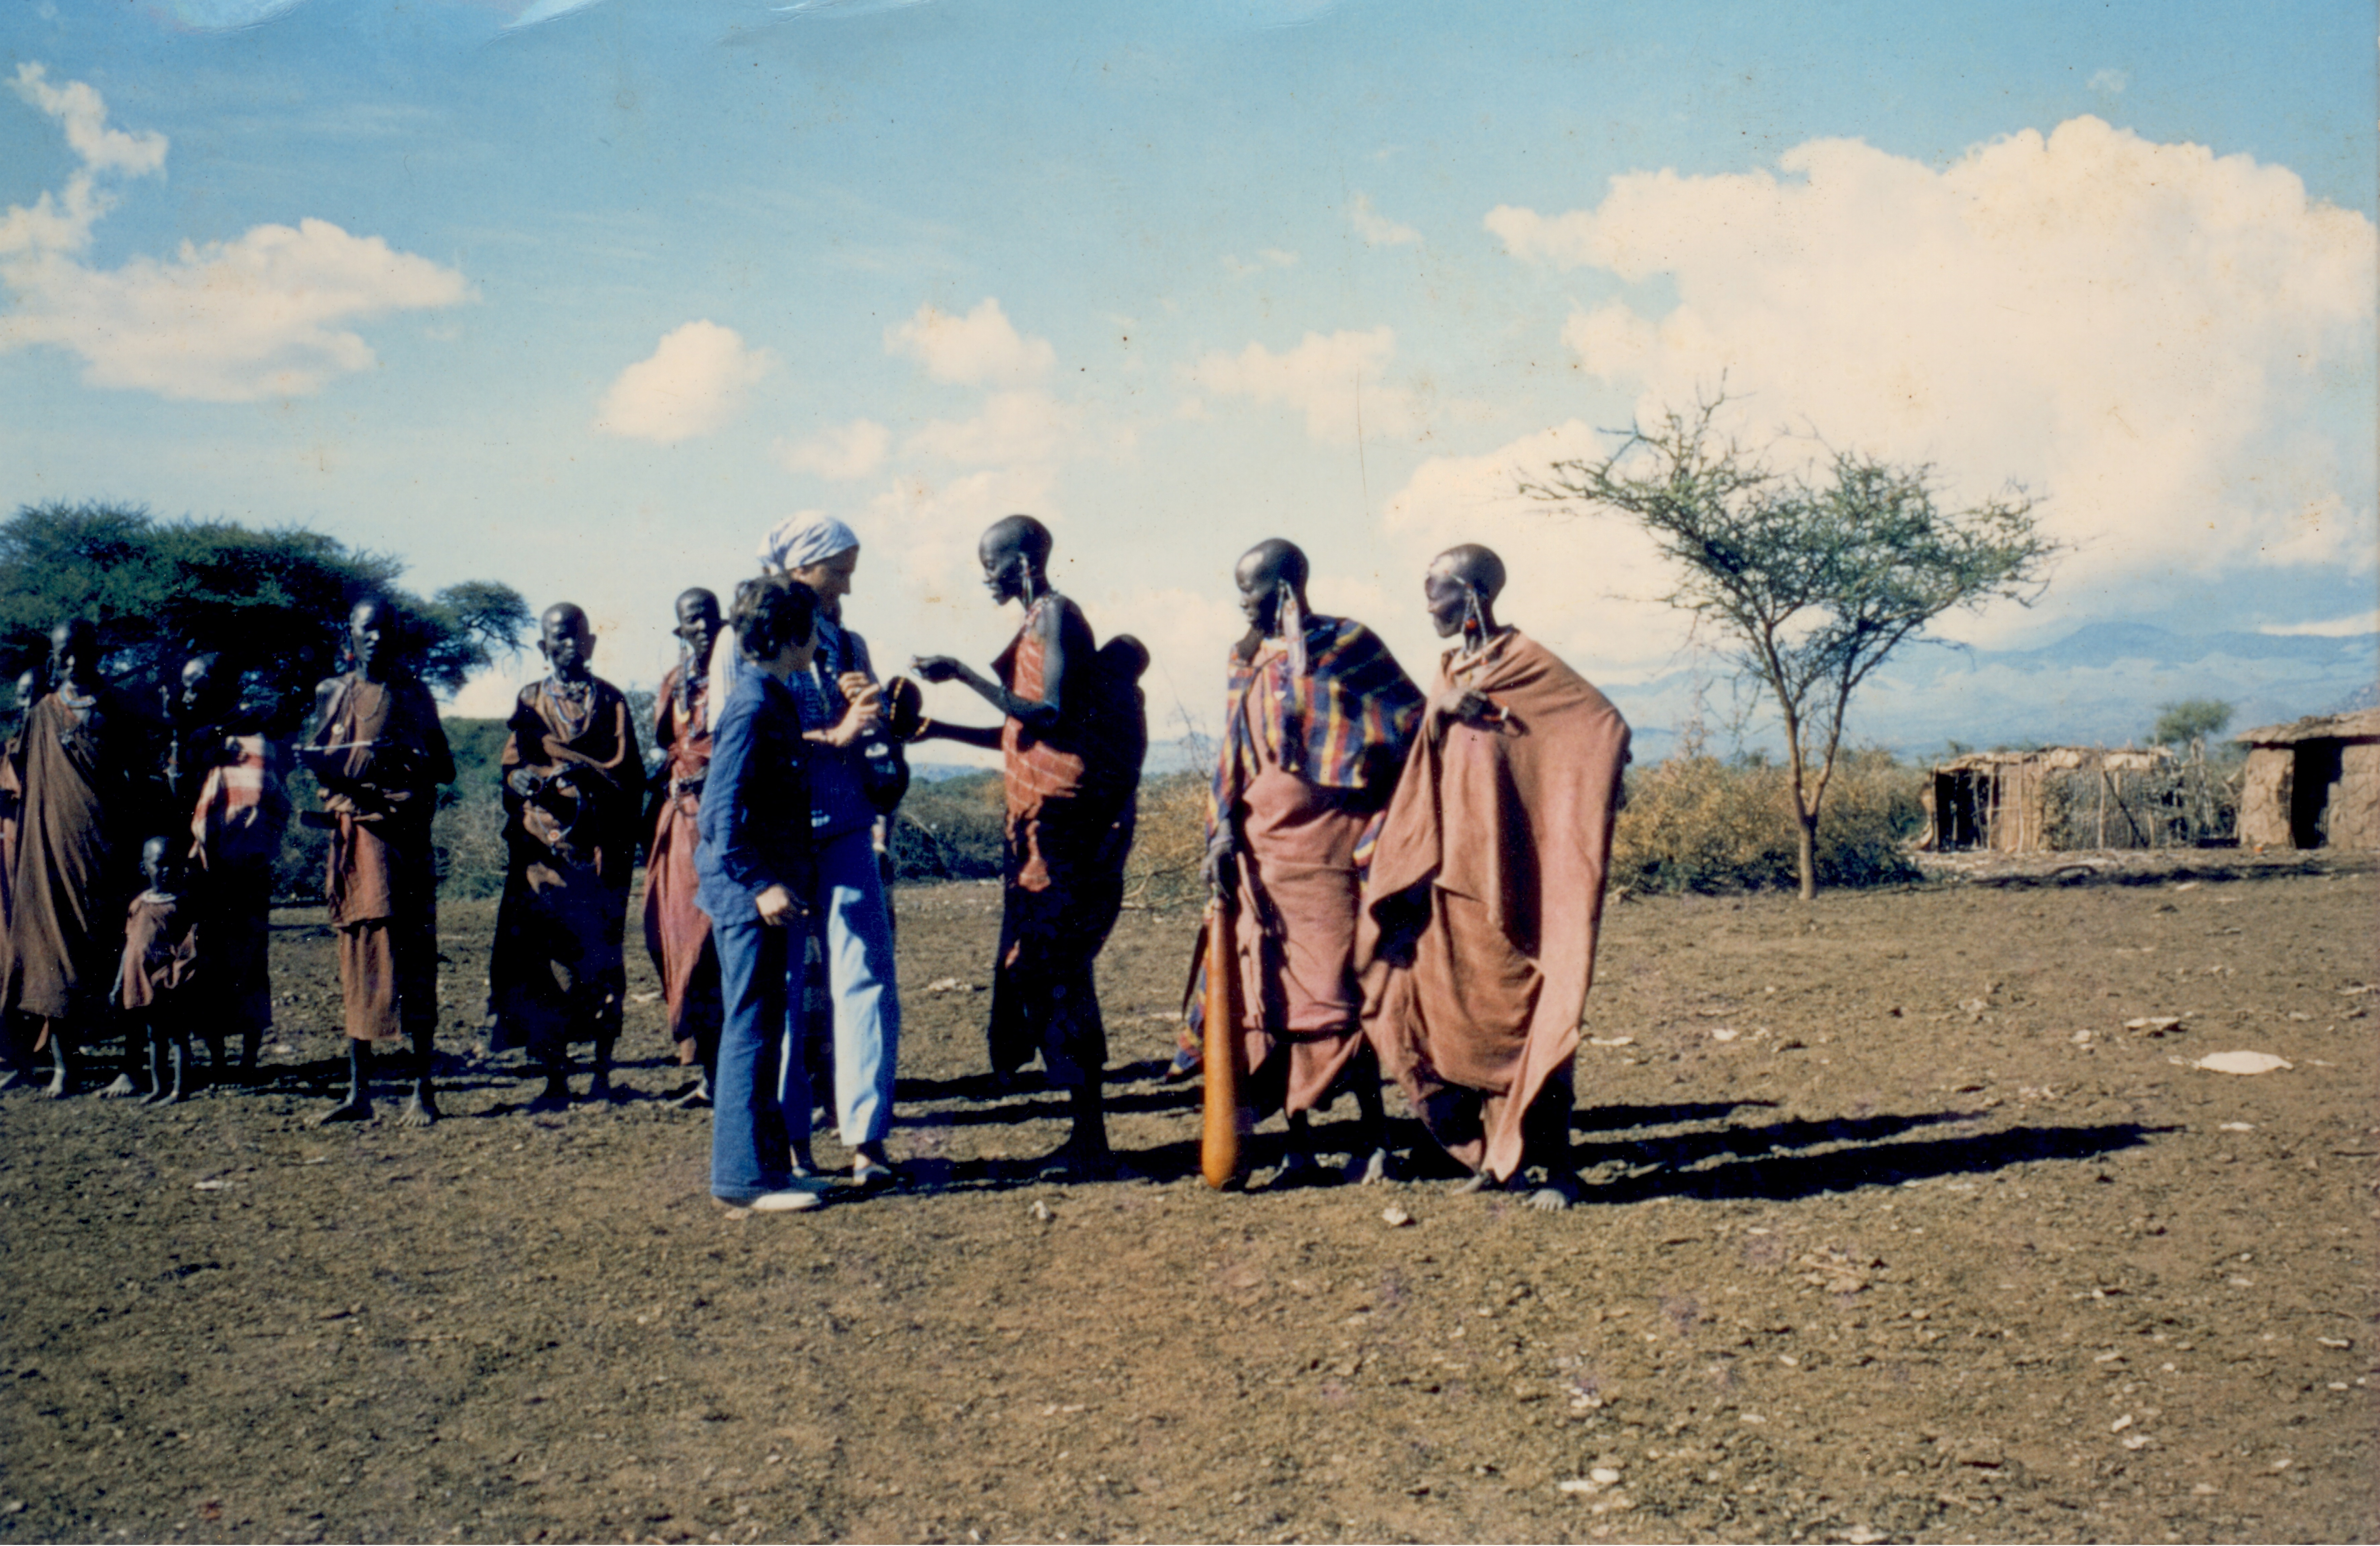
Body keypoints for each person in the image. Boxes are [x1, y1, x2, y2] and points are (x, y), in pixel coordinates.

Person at [1356, 545, 1631, 1210]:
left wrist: (1579, 800)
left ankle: (1560, 1169)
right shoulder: (1453, 666)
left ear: (1473, 594)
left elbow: (1601, 726)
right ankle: (1495, 1158)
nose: (1428, 609)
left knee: (1530, 1018)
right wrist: (1441, 710)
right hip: (1451, 874)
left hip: (1510, 877)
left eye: (1436, 595)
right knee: (1464, 1022)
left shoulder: (1527, 663)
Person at [911, 514, 1147, 1176]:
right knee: (1047, 971)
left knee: (1063, 972)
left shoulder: (1054, 617)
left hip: (1064, 831)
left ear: (1021, 562)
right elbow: (1021, 734)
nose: (984, 575)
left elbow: (1047, 715)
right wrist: (936, 729)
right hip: (1039, 829)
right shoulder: (1038, 621)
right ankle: (1085, 1133)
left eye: (991, 563)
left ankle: (1090, 1138)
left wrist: (960, 672)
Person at [1198, 538, 1422, 1185]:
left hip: (1330, 847)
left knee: (1338, 991)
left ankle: (1373, 1139)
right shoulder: (1244, 659)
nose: (1243, 604)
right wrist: (1220, 836)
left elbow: (1411, 723)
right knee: (1271, 997)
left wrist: (1379, 815)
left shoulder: (1348, 646)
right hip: (1261, 854)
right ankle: (1298, 1145)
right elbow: (1231, 754)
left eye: (1254, 592)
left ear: (1288, 590)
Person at [298, 597, 455, 1126]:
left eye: (385, 629)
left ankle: (422, 1091)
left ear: (397, 634)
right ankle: (358, 1092)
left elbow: (445, 767)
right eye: (367, 630)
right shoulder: (333, 693)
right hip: (356, 844)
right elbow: (325, 767)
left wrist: (404, 757)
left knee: (413, 957)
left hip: (404, 841)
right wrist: (324, 768)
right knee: (358, 959)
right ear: (351, 633)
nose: (376, 638)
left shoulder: (414, 693)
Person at [696, 578, 826, 1213]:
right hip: (749, 898)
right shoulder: (752, 705)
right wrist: (760, 885)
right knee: (749, 1029)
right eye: (812, 627)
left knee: (766, 1026)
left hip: (766, 894)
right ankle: (742, 1180)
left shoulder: (773, 696)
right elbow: (719, 815)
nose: (819, 639)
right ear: (789, 634)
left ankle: (771, 1172)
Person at [489, 602, 644, 1107]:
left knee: (599, 963)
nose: (569, 644)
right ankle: (556, 1078)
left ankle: (601, 1073)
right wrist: (526, 781)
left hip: (596, 852)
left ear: (592, 643)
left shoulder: (612, 701)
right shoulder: (530, 700)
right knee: (542, 963)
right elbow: (512, 768)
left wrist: (587, 783)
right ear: (543, 646)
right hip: (542, 852)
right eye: (558, 637)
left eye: (577, 635)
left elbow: (629, 775)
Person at [0, 621, 155, 1097]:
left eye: (82, 652)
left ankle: (130, 1066)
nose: (73, 662)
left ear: (97, 653)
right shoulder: (42, 713)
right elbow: (16, 770)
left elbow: (144, 774)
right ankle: (65, 1069)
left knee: (122, 955)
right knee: (53, 952)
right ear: (54, 657)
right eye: (64, 654)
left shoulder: (121, 708)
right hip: (52, 854)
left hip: (112, 853)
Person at [172, 650, 290, 1080]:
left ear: (218, 685)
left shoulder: (253, 739)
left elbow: (271, 799)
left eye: (196, 684)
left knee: (249, 962)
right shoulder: (194, 734)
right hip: (203, 871)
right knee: (209, 962)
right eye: (185, 685)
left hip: (244, 870)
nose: (188, 694)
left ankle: (247, 1060)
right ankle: (219, 1060)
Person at [644, 588, 725, 1105]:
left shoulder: (738, 676)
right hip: (680, 824)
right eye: (689, 622)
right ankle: (709, 1073)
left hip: (724, 823)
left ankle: (738, 1076)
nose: (698, 629)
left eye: (706, 620)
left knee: (718, 945)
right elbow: (670, 747)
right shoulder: (675, 685)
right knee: (675, 941)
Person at [110, 835, 199, 1105]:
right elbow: (130, 946)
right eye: (160, 864)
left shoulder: (182, 904)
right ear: (144, 868)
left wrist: (175, 977)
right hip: (142, 982)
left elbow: (189, 947)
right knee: (154, 1036)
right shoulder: (139, 904)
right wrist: (119, 983)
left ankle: (179, 1090)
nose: (167, 870)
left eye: (173, 863)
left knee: (177, 1037)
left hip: (169, 985)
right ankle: (159, 1088)